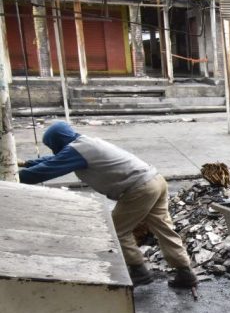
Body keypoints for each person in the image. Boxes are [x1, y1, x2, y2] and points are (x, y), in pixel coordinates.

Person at [19, 122, 198, 289]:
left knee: (117, 231)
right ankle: (185, 272)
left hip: (139, 188)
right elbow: (54, 160)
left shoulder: (76, 150)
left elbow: (45, 170)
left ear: (57, 141)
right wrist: (26, 163)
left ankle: (139, 271)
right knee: (163, 228)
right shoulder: (84, 143)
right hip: (155, 180)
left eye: (52, 145)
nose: (53, 149)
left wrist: (16, 177)